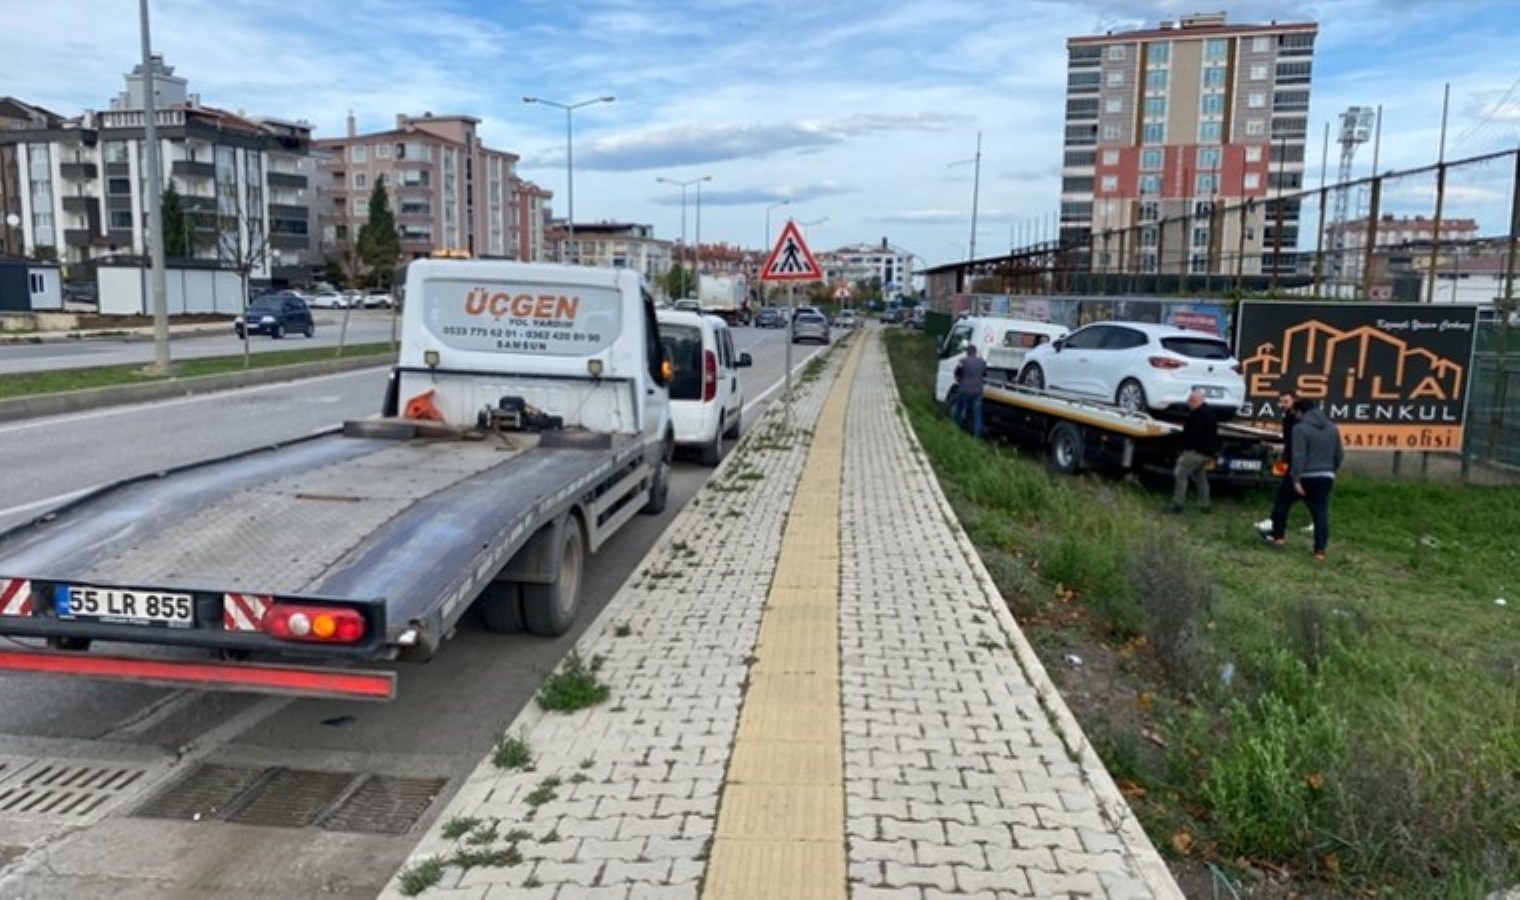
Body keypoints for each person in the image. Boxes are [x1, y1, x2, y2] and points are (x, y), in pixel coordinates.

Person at [1288, 398, 1344, 561]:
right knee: (1321, 514)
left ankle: (1277, 535)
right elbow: (1339, 454)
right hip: (1326, 475)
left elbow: (1299, 455)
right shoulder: (1333, 428)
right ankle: (1320, 551)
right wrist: (1331, 469)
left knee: (1283, 502)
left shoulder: (1300, 428)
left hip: (1306, 475)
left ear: (1300, 412)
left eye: (1296, 413)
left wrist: (1296, 478)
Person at [1169, 389, 1219, 512]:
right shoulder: (1210, 413)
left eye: (1190, 401)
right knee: (1201, 477)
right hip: (1207, 452)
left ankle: (1177, 503)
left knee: (1180, 473)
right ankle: (1205, 505)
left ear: (1195, 401)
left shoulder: (1198, 415)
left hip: (1197, 451)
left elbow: (1193, 435)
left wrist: (1183, 450)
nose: (1188, 404)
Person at [1261, 391, 1299, 545]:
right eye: (1281, 402)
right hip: (1293, 461)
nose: (1282, 405)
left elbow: (1295, 443)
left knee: (1283, 499)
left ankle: (1277, 535)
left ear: (1294, 401)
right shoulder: (1288, 417)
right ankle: (1276, 530)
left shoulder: (1295, 419)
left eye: (1286, 401)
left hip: (1297, 464)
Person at [952, 344, 988, 439]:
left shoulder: (962, 361)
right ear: (975, 352)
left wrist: (959, 379)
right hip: (977, 392)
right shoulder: (982, 362)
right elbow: (985, 374)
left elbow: (957, 373)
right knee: (977, 415)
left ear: (967, 352)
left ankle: (956, 431)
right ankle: (976, 437)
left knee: (959, 411)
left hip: (964, 390)